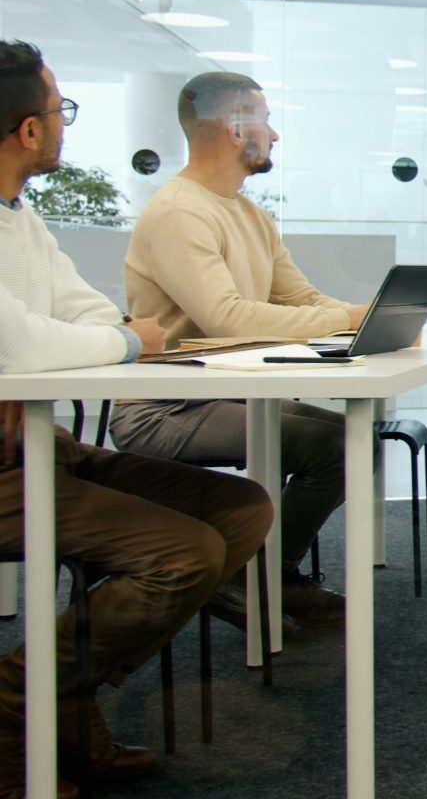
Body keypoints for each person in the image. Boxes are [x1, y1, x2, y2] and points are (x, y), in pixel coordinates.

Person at [0, 40, 274, 797]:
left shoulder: (21, 217)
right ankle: (21, 700)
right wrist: (128, 339)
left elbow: (77, 305)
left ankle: (61, 688)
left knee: (241, 508)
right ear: (28, 130)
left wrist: (117, 333)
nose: (64, 125)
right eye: (60, 111)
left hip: (39, 447)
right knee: (181, 553)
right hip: (6, 466)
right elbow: (20, 341)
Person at [111, 72, 368, 630]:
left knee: (349, 441)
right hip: (165, 408)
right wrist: (343, 320)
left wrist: (363, 320)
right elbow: (224, 317)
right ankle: (251, 578)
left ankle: (264, 575)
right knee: (335, 446)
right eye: (266, 121)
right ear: (234, 129)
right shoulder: (180, 212)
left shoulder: (249, 214)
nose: (274, 135)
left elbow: (300, 297)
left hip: (224, 396)